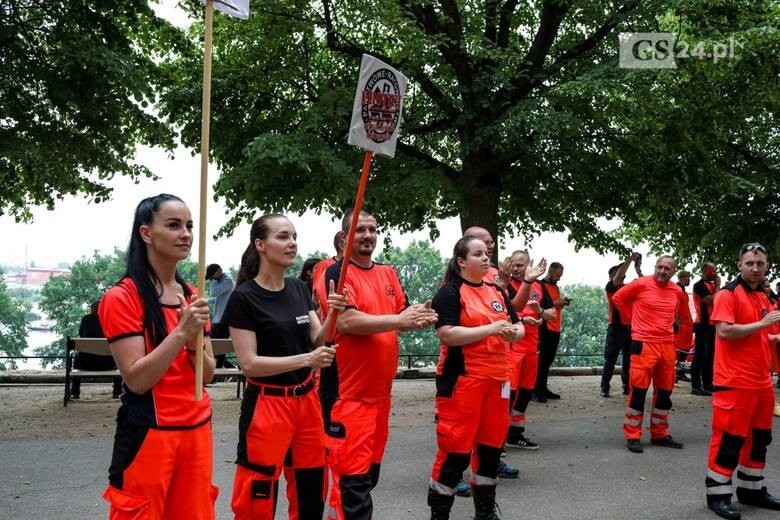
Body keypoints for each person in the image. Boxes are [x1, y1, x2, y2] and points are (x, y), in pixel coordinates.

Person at [98, 193, 217, 518]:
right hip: (150, 434)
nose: (186, 234)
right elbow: (136, 379)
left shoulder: (193, 295)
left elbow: (206, 376)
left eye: (190, 226)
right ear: (146, 233)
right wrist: (181, 333)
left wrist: (193, 340)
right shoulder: (123, 297)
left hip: (197, 432)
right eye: (174, 225)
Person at [223, 214, 345, 520]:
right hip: (267, 405)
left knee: (311, 487)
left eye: (294, 236)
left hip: (306, 402)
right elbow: (250, 364)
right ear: (260, 245)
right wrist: (307, 360)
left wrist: (332, 313)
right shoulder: (244, 297)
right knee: (257, 493)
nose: (292, 243)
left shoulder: (299, 289)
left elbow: (318, 340)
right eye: (283, 237)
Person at [320, 209, 438, 520]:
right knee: (353, 484)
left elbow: (401, 311)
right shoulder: (337, 273)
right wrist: (399, 319)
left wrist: (417, 317)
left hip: (380, 396)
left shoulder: (387, 273)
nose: (368, 235)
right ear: (344, 237)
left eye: (372, 229)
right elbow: (346, 321)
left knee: (367, 477)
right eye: (360, 230)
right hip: (348, 397)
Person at [427, 236, 525, 520]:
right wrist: (492, 329)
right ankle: (439, 514)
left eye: (487, 254)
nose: (486, 258)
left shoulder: (497, 291)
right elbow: (447, 334)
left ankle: (484, 513)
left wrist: (511, 332)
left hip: (498, 382)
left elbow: (518, 328)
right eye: (478, 254)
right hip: (462, 382)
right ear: (461, 261)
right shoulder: (450, 292)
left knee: (491, 451)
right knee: (454, 453)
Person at [705, 243, 780, 520]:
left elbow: (760, 335)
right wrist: (763, 326)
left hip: (761, 382)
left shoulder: (762, 296)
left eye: (760, 263)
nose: (755, 268)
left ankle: (752, 490)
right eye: (750, 263)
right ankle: (718, 495)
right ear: (739, 265)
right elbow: (725, 332)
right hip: (734, 382)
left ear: (767, 265)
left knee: (760, 439)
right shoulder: (728, 294)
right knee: (728, 440)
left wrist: (772, 336)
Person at [612, 255, 692, 454]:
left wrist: (681, 342)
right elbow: (618, 298)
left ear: (674, 271)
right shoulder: (641, 284)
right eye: (660, 267)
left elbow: (684, 317)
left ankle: (660, 434)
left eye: (667, 268)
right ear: (655, 267)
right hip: (643, 344)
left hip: (667, 346)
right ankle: (632, 435)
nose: (663, 271)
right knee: (638, 392)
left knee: (665, 393)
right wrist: (631, 322)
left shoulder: (677, 291)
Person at [505, 250, 547, 449]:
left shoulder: (539, 285)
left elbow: (551, 313)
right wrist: (523, 319)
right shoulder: (504, 284)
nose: (515, 268)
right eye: (513, 264)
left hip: (532, 347)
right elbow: (504, 313)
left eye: (520, 265)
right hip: (512, 347)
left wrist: (541, 314)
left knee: (525, 393)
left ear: (528, 264)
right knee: (507, 393)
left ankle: (515, 434)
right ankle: (497, 437)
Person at [600, 252, 642, 398]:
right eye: (618, 271)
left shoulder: (628, 287)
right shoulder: (611, 287)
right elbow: (618, 276)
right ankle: (605, 387)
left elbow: (645, 284)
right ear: (613, 275)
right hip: (616, 328)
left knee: (628, 361)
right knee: (610, 360)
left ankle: (626, 386)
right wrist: (630, 258)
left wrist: (638, 270)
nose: (622, 273)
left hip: (631, 328)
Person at [70, 298, 122, 399]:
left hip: (86, 364)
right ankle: (117, 391)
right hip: (108, 364)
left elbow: (81, 336)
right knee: (118, 357)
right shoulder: (110, 319)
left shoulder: (86, 319)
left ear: (92, 309)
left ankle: (75, 392)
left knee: (76, 357)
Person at [534, 262, 571, 402]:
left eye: (560, 276)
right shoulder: (540, 285)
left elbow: (555, 306)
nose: (559, 278)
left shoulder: (555, 287)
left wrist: (562, 303)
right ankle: (536, 391)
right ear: (550, 271)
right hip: (545, 328)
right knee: (542, 361)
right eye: (557, 275)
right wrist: (558, 302)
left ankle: (543, 387)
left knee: (548, 361)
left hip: (556, 327)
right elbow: (541, 306)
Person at [691, 263, 720, 396]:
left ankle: (708, 383)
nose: (716, 273)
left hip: (712, 324)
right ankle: (696, 385)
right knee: (700, 354)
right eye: (713, 270)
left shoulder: (712, 285)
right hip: (702, 323)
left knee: (710, 355)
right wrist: (718, 286)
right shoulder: (699, 285)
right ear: (706, 271)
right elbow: (712, 300)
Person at [206, 263, 235, 368]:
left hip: (225, 320)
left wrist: (213, 282)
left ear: (219, 271)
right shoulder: (219, 282)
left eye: (212, 276)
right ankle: (230, 367)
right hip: (216, 320)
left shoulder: (228, 281)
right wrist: (204, 301)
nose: (212, 279)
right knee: (214, 346)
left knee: (220, 347)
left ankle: (217, 373)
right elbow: (215, 299)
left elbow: (213, 293)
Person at [312, 231, 346, 319]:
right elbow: (316, 296)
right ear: (341, 244)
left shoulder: (353, 266)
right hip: (329, 316)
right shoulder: (324, 265)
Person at [675, 270, 694, 384]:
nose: (689, 280)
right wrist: (677, 323)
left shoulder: (684, 292)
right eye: (688, 277)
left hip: (687, 325)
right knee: (678, 349)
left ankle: (680, 372)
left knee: (684, 349)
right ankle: (675, 372)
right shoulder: (677, 290)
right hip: (681, 325)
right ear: (683, 278)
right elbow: (674, 307)